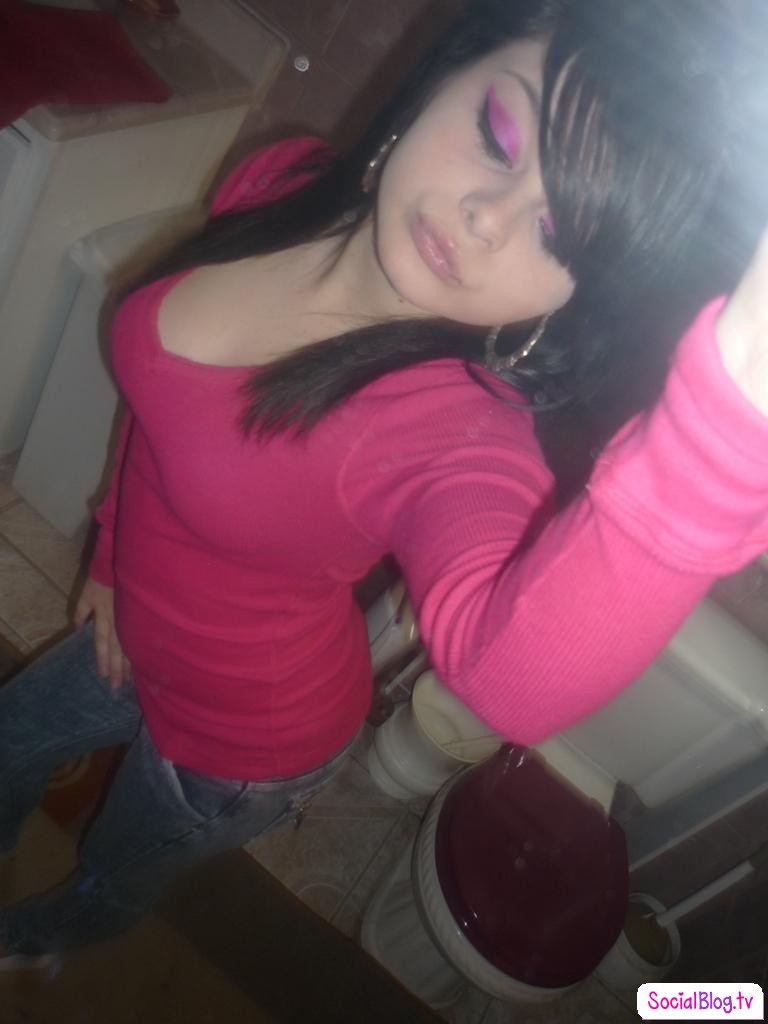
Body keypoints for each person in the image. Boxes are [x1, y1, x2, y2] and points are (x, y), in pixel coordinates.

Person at [2, 0, 768, 966]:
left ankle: (46, 942)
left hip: (245, 740)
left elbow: (506, 679)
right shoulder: (280, 178)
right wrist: (110, 558)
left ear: (572, 299)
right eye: (499, 135)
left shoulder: (460, 436)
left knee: (113, 871)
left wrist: (731, 419)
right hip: (133, 627)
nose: (486, 219)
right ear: (448, 73)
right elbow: (158, 419)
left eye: (557, 234)